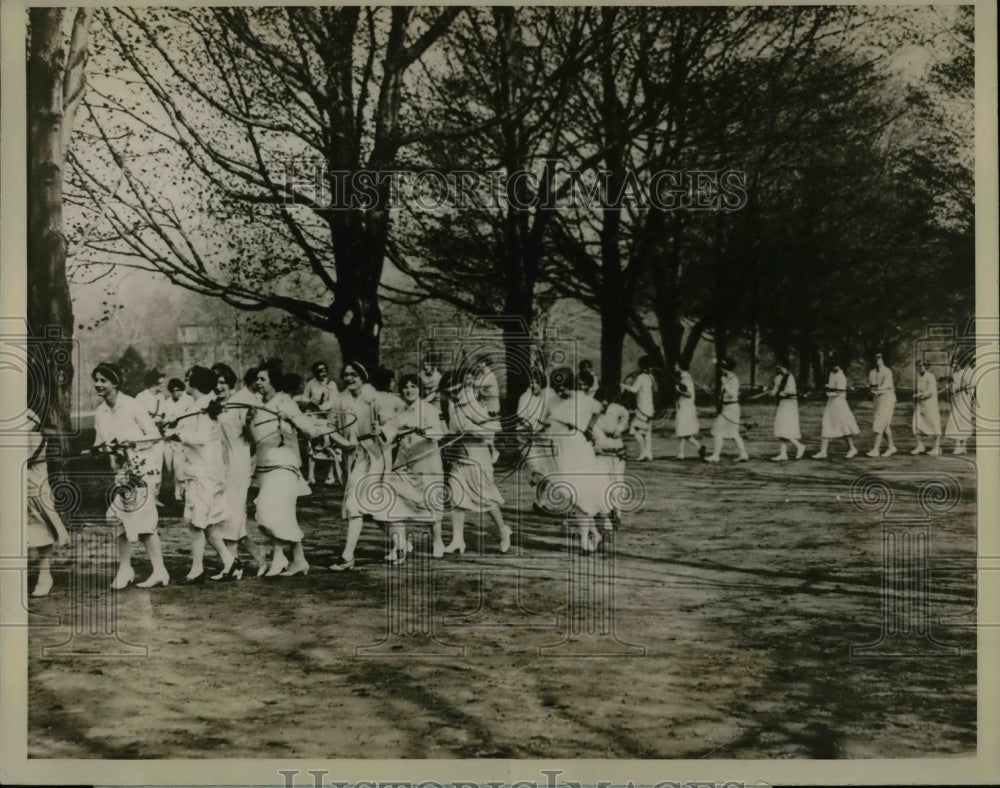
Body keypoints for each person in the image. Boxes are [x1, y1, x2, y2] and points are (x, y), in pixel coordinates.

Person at [92, 362, 170, 589]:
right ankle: (126, 569)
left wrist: (130, 442)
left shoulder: (133, 405)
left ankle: (160, 571)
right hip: (122, 473)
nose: (98, 384)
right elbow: (100, 441)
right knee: (118, 519)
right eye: (96, 380)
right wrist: (99, 449)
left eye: (103, 380)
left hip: (142, 470)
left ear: (115, 382)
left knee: (144, 523)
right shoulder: (100, 412)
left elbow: (154, 435)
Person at [250, 359, 325, 577]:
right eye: (257, 379)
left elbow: (311, 432)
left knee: (269, 515)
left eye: (263, 379)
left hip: (284, 465)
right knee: (277, 516)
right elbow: (256, 439)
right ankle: (297, 560)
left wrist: (292, 419)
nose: (258, 382)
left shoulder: (286, 402)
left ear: (273, 381)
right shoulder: (256, 405)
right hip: (264, 465)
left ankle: (280, 557)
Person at [169, 366, 242, 583]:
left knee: (196, 524)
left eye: (188, 378)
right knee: (206, 524)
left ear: (195, 383)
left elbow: (200, 437)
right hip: (202, 471)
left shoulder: (205, 407)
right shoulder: (199, 405)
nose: (185, 381)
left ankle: (197, 570)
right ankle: (230, 562)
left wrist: (177, 435)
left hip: (205, 473)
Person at [328, 361, 393, 571]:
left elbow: (391, 424)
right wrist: (340, 441)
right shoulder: (341, 400)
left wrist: (381, 430)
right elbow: (330, 426)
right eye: (346, 375)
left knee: (355, 503)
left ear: (363, 377)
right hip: (353, 455)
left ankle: (347, 556)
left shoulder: (376, 398)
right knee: (369, 507)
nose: (349, 378)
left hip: (376, 455)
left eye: (354, 374)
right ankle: (402, 543)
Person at [444, 365, 511, 555]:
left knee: (485, 497)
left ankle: (503, 530)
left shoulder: (476, 402)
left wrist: (471, 429)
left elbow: (493, 428)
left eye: (455, 390)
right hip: (459, 456)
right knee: (457, 497)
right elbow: (452, 428)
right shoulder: (453, 404)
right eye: (450, 392)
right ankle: (457, 540)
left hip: (478, 457)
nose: (453, 395)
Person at [380, 373, 448, 562]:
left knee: (430, 502)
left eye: (413, 387)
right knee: (395, 500)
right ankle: (399, 545)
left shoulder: (428, 409)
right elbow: (391, 432)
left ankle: (438, 542)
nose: (409, 390)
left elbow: (438, 434)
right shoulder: (400, 411)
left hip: (426, 463)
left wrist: (422, 431)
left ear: (420, 389)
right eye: (405, 387)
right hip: (404, 462)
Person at [211, 363, 268, 577]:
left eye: (222, 383)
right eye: (215, 383)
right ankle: (257, 554)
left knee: (231, 516)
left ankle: (232, 566)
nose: (219, 387)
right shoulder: (211, 406)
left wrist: (250, 422)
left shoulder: (240, 404)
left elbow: (255, 438)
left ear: (230, 384)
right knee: (226, 518)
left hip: (238, 466)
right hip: (218, 468)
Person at [543, 368, 607, 552]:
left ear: (571, 384)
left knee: (581, 493)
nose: (560, 391)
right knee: (571, 495)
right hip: (560, 451)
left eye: (564, 387)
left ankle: (585, 540)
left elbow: (599, 409)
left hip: (579, 450)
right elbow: (542, 421)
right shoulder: (551, 401)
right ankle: (594, 533)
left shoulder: (583, 399)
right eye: (557, 388)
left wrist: (589, 428)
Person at [25, 409, 70, 597]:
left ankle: (45, 575)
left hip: (34, 489)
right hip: (12, 488)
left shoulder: (34, 432)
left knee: (41, 531)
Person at [592, 385, 630, 530]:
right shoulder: (593, 412)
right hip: (600, 451)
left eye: (606, 400)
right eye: (601, 400)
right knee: (602, 483)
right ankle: (607, 513)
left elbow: (626, 415)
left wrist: (620, 428)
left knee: (617, 482)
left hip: (616, 449)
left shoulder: (616, 409)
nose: (604, 403)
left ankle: (617, 514)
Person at [813, 358, 860, 459]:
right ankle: (823, 451)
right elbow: (832, 387)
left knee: (844, 426)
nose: (832, 368)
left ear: (838, 366)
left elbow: (839, 392)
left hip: (840, 405)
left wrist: (827, 391)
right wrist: (827, 387)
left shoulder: (841, 376)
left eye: (833, 366)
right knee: (826, 424)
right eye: (831, 366)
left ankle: (852, 448)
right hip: (831, 404)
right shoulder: (831, 374)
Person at [705, 358, 749, 463]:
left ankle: (716, 455)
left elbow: (733, 394)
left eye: (722, 367)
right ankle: (743, 454)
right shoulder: (726, 378)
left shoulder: (733, 379)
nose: (721, 369)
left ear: (726, 368)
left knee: (718, 429)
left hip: (732, 408)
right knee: (733, 433)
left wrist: (725, 385)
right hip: (727, 408)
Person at [134, 370, 166, 504]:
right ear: (153, 383)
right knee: (146, 466)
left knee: (158, 466)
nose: (163, 385)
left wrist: (162, 422)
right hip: (145, 438)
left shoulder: (161, 398)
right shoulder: (141, 397)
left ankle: (156, 497)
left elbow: (163, 414)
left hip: (158, 436)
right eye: (161, 383)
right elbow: (136, 418)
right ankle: (144, 497)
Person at [161, 377, 194, 502]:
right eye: (175, 390)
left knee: (179, 466)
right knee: (170, 467)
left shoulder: (188, 401)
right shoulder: (166, 403)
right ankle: (178, 489)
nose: (178, 393)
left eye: (180, 390)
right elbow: (164, 421)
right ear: (171, 391)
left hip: (181, 439)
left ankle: (180, 492)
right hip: (168, 439)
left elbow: (189, 420)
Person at [769, 361, 806, 461]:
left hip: (790, 405)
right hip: (782, 404)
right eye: (777, 367)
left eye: (780, 367)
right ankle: (783, 454)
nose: (778, 369)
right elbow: (776, 389)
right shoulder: (777, 378)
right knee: (780, 428)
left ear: (784, 367)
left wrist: (783, 393)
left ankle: (799, 446)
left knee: (786, 428)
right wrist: (772, 392)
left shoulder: (790, 377)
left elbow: (792, 391)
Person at [621, 356, 655, 461]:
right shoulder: (650, 377)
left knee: (635, 430)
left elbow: (634, 389)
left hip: (642, 407)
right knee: (647, 432)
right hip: (650, 407)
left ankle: (643, 452)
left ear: (641, 366)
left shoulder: (641, 377)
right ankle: (649, 453)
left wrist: (623, 386)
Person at [867, 352, 898, 457]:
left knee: (879, 423)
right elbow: (870, 385)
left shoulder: (887, 371)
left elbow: (886, 386)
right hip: (877, 400)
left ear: (883, 359)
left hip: (887, 399)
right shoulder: (871, 372)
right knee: (885, 425)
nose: (877, 360)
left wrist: (877, 390)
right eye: (875, 358)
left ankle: (876, 450)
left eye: (879, 358)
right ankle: (891, 447)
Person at [472, 357, 502, 464]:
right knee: (486, 436)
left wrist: (467, 380)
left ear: (485, 363)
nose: (478, 365)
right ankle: (490, 455)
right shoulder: (483, 376)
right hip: (486, 409)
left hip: (492, 410)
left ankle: (494, 454)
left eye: (480, 363)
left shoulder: (489, 376)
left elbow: (477, 384)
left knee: (488, 436)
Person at [945, 353, 975, 455]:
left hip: (964, 399)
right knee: (958, 420)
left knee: (960, 420)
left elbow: (969, 386)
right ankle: (960, 446)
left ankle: (961, 445)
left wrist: (957, 389)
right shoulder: (956, 374)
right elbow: (954, 388)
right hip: (958, 399)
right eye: (952, 364)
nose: (953, 366)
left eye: (955, 363)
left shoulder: (964, 373)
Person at [911, 359, 943, 456]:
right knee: (915, 423)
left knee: (934, 425)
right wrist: (918, 395)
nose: (920, 367)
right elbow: (919, 390)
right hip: (920, 405)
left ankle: (937, 447)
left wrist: (919, 396)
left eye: (922, 365)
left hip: (930, 405)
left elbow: (931, 392)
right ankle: (920, 445)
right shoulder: (918, 377)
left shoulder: (930, 376)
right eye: (918, 366)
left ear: (926, 366)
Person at [673, 362, 704, 459]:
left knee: (681, 431)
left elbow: (689, 394)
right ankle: (698, 447)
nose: (674, 366)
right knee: (684, 431)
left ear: (680, 367)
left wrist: (678, 391)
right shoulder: (685, 377)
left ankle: (681, 454)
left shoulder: (685, 378)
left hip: (686, 408)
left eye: (676, 365)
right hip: (685, 406)